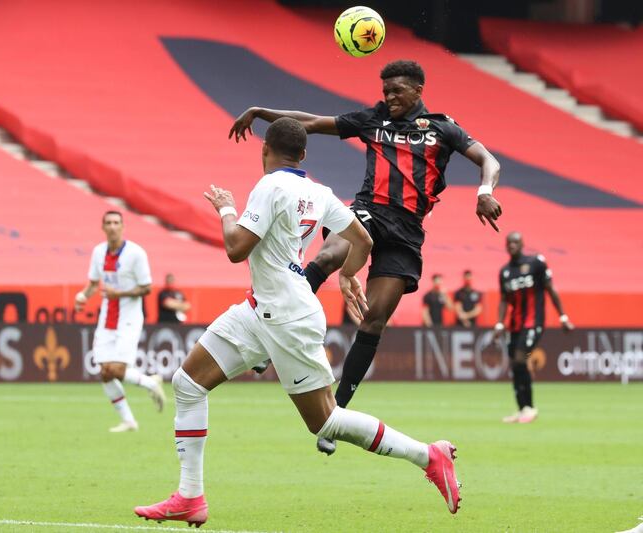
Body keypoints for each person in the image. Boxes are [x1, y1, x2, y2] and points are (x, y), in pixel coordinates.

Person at [134, 118, 461, 527]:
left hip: (287, 314)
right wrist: (347, 274)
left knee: (325, 421)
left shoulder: (270, 186)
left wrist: (226, 209)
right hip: (262, 309)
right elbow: (363, 240)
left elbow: (236, 248)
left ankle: (428, 456)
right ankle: (189, 496)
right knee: (188, 383)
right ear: (304, 155)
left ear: (264, 150)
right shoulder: (318, 191)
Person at [229, 59, 502, 455]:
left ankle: (335, 412)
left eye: (397, 91)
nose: (388, 97)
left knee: (374, 320)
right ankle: (264, 329)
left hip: (406, 233)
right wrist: (261, 113)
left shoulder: (444, 128)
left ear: (418, 91)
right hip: (367, 211)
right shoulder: (373, 120)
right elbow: (312, 122)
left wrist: (484, 193)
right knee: (330, 254)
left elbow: (488, 161)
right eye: (385, 90)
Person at [75, 210, 166, 432]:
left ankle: (150, 383)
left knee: (116, 369)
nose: (113, 226)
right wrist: (83, 296)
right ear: (103, 227)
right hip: (107, 319)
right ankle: (129, 421)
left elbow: (146, 288)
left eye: (117, 222)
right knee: (104, 372)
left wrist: (120, 295)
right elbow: (94, 284)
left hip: (129, 320)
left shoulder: (136, 253)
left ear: (123, 226)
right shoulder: (98, 252)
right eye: (108, 223)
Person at [495, 232, 573, 424]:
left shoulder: (536, 263)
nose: (512, 245)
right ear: (506, 246)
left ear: (522, 244)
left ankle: (530, 408)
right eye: (509, 243)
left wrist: (563, 316)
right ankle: (522, 409)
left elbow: (550, 289)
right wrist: (499, 323)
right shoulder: (505, 272)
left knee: (522, 359)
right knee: (515, 364)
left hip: (534, 322)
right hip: (515, 325)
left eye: (515, 242)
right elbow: (504, 300)